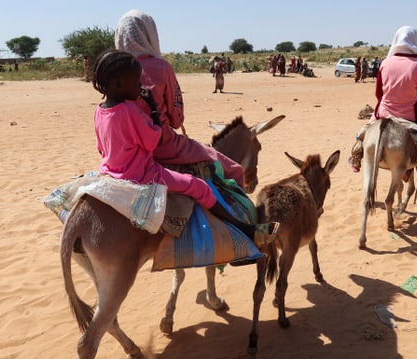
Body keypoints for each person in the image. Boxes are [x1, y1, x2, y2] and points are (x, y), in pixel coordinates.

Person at [91, 49, 279, 245]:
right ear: (119, 83)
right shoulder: (130, 110)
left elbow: (101, 147)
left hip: (109, 170)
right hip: (143, 174)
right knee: (198, 186)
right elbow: (153, 140)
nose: (140, 84)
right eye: (137, 79)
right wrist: (153, 108)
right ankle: (245, 230)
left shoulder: (99, 110)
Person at [115, 9, 245, 189]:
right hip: (163, 146)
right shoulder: (161, 68)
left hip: (119, 150)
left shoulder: (113, 71)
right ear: (150, 34)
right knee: (234, 169)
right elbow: (176, 120)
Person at [348, 26, 417, 172]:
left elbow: (378, 94)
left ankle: (357, 154)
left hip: (384, 112)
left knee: (365, 131)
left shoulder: (385, 63)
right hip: (410, 114)